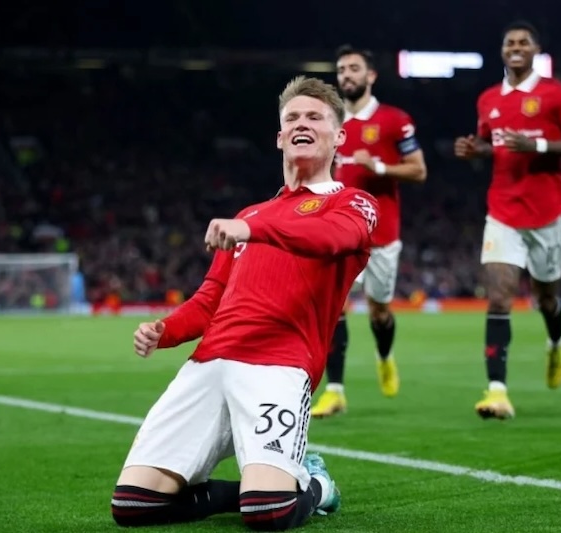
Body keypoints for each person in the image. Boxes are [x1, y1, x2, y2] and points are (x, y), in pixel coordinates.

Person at [111, 76, 380, 531]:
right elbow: (210, 299)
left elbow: (331, 239)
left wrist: (255, 232)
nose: (302, 123)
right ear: (279, 137)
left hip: (279, 364)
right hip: (208, 364)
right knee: (134, 505)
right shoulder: (248, 215)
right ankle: (249, 490)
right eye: (292, 117)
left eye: (315, 117)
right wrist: (165, 331)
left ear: (339, 136)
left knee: (269, 513)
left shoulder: (353, 204)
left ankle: (316, 485)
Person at [454, 20, 561, 420]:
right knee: (499, 296)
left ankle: (556, 343)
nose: (515, 47)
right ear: (502, 51)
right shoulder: (488, 99)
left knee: (546, 298)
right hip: (502, 211)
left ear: (536, 50)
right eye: (509, 42)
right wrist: (475, 150)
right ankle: (497, 391)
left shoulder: (557, 93)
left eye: (523, 42)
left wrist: (538, 145)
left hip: (547, 213)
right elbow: (491, 144)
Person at [311, 44, 427, 418]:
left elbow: (418, 170)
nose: (346, 74)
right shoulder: (328, 121)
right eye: (342, 69)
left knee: (379, 311)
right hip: (339, 232)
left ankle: (385, 355)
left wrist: (377, 167)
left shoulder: (395, 120)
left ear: (371, 75)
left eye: (354, 68)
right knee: (334, 308)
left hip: (382, 233)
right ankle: (335, 391)